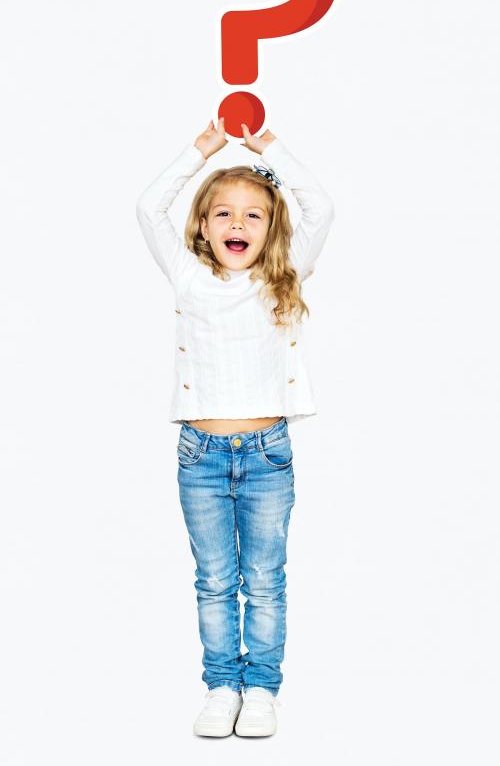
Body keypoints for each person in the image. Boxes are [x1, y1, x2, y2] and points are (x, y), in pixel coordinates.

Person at [136, 117, 335, 737]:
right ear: (202, 225)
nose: (238, 226)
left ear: (272, 228)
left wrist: (266, 146)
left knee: (265, 581)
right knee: (216, 579)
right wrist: (202, 148)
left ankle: (263, 691)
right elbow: (149, 206)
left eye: (254, 215)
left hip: (268, 453)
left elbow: (320, 206)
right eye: (223, 214)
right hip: (201, 453)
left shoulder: (284, 277)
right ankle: (223, 685)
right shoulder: (188, 275)